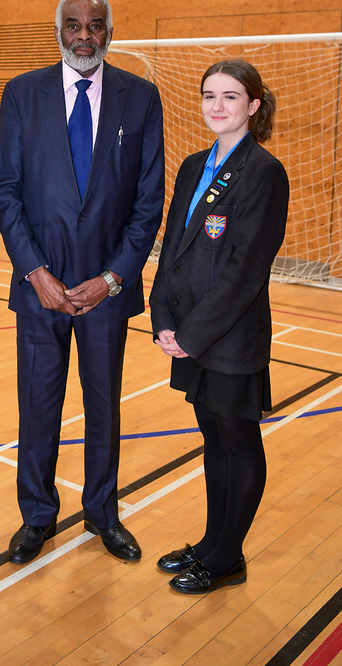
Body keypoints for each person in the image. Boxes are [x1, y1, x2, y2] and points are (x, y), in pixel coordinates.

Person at [0, 0, 165, 564]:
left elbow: (147, 204)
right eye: (73, 25)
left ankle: (102, 514)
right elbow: (6, 191)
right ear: (58, 31)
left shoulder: (140, 98)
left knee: (103, 407)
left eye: (94, 25)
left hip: (105, 294)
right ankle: (36, 517)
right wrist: (34, 271)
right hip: (40, 287)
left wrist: (113, 279)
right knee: (38, 408)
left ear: (110, 32)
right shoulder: (22, 94)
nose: (84, 35)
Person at [150, 59, 289, 594]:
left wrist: (191, 335)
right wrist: (164, 318)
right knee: (212, 436)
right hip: (188, 332)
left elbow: (246, 269)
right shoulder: (192, 165)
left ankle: (229, 556)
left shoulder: (263, 171)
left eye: (231, 97)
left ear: (253, 106)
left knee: (238, 440)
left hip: (228, 338)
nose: (217, 106)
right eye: (210, 95)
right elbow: (173, 251)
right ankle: (211, 542)